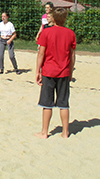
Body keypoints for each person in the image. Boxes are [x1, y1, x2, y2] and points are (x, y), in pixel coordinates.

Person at [35, 7, 76, 139]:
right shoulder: (70, 33)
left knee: (47, 104)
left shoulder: (46, 33)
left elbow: (41, 53)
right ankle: (65, 133)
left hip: (49, 71)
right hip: (64, 72)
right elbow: (72, 55)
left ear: (53, 18)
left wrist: (37, 71)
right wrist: (70, 71)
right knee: (64, 104)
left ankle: (44, 132)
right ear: (65, 19)